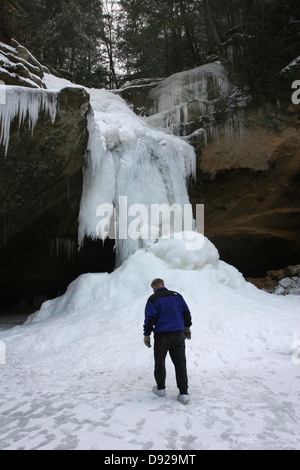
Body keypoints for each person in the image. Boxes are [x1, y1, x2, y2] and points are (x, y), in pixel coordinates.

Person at [143, 278, 192, 404]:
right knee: (180, 363)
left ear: (154, 287)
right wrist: (187, 327)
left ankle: (160, 389)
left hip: (162, 335)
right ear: (163, 285)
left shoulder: (153, 299)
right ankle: (184, 393)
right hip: (178, 334)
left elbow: (150, 319)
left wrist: (147, 334)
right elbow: (186, 312)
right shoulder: (177, 296)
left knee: (160, 361)